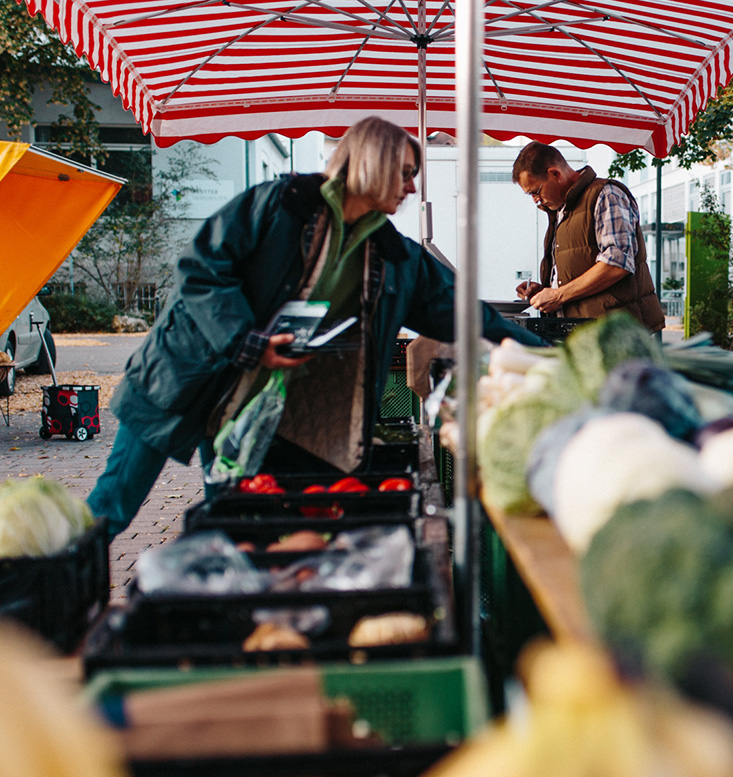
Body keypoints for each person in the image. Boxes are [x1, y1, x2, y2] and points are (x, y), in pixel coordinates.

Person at [88, 116, 543, 538]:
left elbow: (468, 313)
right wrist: (247, 340)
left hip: (255, 409)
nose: (411, 186)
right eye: (405, 172)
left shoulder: (394, 257)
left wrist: (542, 355)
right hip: (183, 378)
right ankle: (47, 600)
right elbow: (200, 270)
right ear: (372, 162)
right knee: (111, 508)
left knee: (235, 524)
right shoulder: (277, 205)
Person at [511, 142, 665, 334]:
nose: (536, 200)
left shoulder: (607, 195)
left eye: (535, 191)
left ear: (555, 174)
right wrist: (545, 291)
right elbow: (579, 269)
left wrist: (558, 295)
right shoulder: (561, 210)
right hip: (588, 335)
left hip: (618, 336)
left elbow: (617, 263)